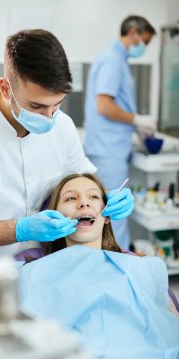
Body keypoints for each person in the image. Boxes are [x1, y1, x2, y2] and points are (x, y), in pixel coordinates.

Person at [0, 29, 134, 260]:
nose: (49, 117)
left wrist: (107, 196)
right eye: (36, 107)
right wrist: (20, 229)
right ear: (6, 88)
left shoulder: (63, 127)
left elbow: (82, 184)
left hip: (42, 268)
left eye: (57, 105)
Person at [19, 173, 179, 359]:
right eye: (70, 198)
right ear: (53, 215)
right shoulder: (31, 271)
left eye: (94, 197)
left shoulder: (141, 268)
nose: (84, 203)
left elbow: (170, 326)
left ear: (108, 215)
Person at [84, 16, 156, 250]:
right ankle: (120, 264)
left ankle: (117, 261)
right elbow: (104, 105)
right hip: (108, 150)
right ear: (133, 33)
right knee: (115, 214)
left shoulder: (116, 58)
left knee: (111, 212)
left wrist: (135, 125)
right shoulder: (113, 60)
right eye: (144, 41)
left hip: (109, 147)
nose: (143, 47)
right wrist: (137, 119)